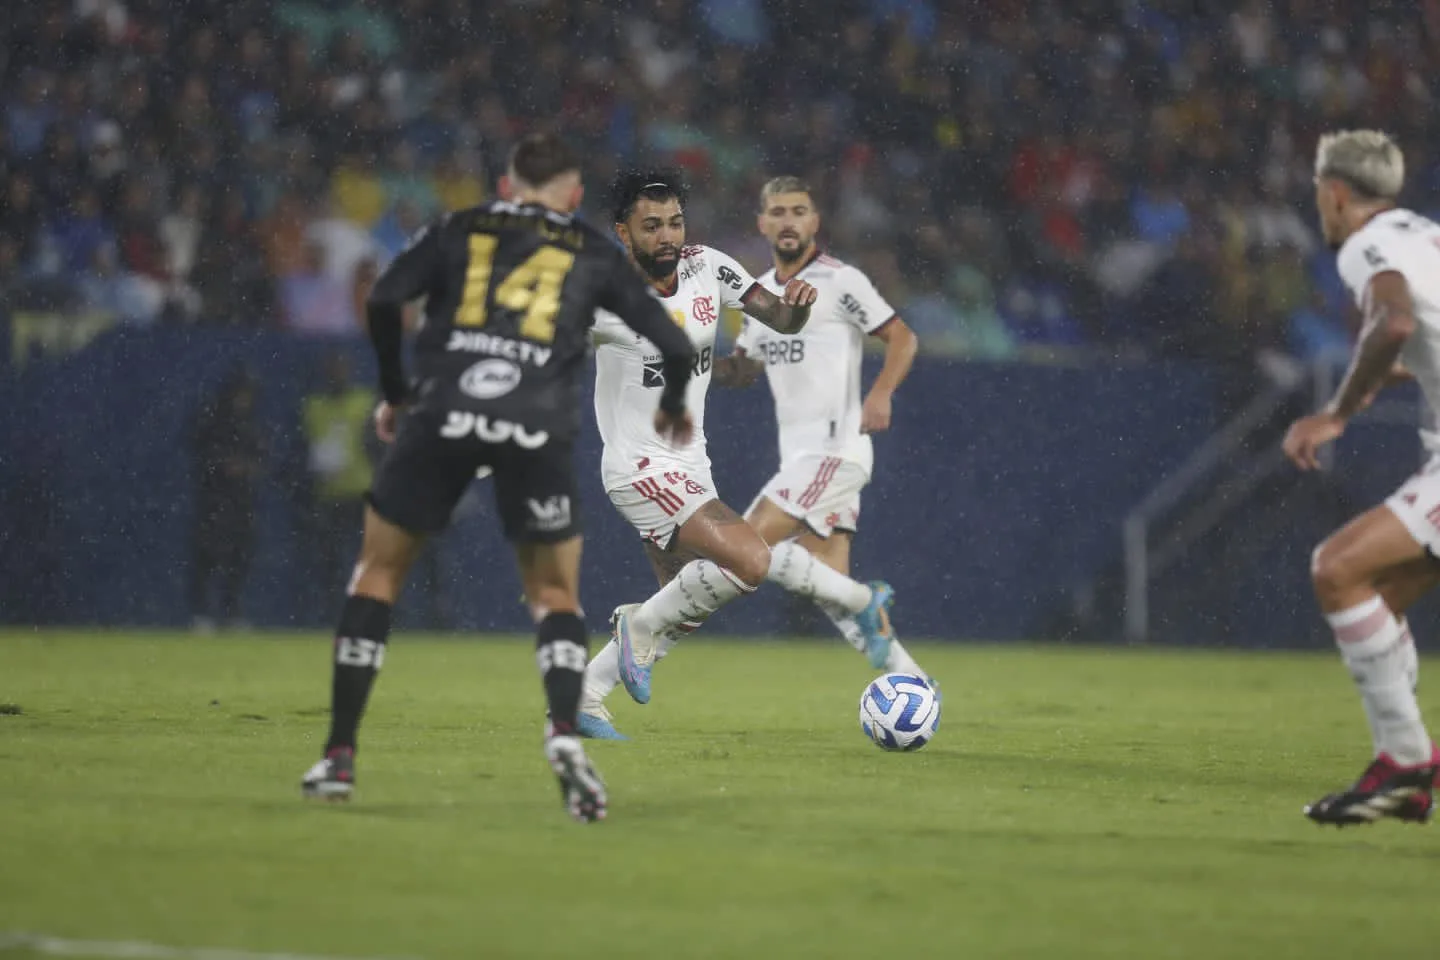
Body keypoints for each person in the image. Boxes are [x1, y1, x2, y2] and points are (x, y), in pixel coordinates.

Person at [299, 133, 698, 824]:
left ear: (508, 189)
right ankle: (566, 737)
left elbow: (384, 298)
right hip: (535, 422)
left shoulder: (459, 227)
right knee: (552, 593)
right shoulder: (592, 252)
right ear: (573, 198)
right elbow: (669, 341)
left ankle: (338, 755)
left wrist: (395, 393)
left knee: (376, 576)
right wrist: (669, 406)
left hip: (445, 409)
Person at [576, 169, 895, 739]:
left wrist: (796, 305)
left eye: (674, 222)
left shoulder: (708, 266)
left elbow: (777, 316)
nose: (668, 236)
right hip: (639, 468)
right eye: (652, 227)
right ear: (623, 233)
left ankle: (586, 692)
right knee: (752, 559)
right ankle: (635, 629)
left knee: (683, 605)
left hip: (693, 465)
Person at [1282, 129, 1440, 825]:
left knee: (1337, 570)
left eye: (1320, 190)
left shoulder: (1364, 245)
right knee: (1382, 601)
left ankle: (1405, 764)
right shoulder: (1424, 233)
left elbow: (1396, 320)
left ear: (1335, 192)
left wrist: (1338, 412)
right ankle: (1402, 766)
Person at [727, 176, 932, 683]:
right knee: (831, 591)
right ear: (762, 223)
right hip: (797, 459)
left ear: (815, 221)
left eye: (799, 210)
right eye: (778, 211)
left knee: (741, 547)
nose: (789, 220)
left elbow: (903, 339)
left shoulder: (841, 281)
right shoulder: (760, 300)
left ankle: (639, 645)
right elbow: (742, 369)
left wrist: (880, 392)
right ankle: (914, 686)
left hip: (833, 451)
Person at [188, 370, 263, 631]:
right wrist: (222, 465)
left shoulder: (252, 425)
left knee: (239, 558)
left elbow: (264, 460)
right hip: (215, 499)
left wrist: (246, 468)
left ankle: (232, 612)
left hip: (242, 501)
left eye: (247, 395)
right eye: (239, 394)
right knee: (208, 556)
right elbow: (201, 453)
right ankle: (201, 613)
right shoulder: (214, 422)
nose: (243, 400)